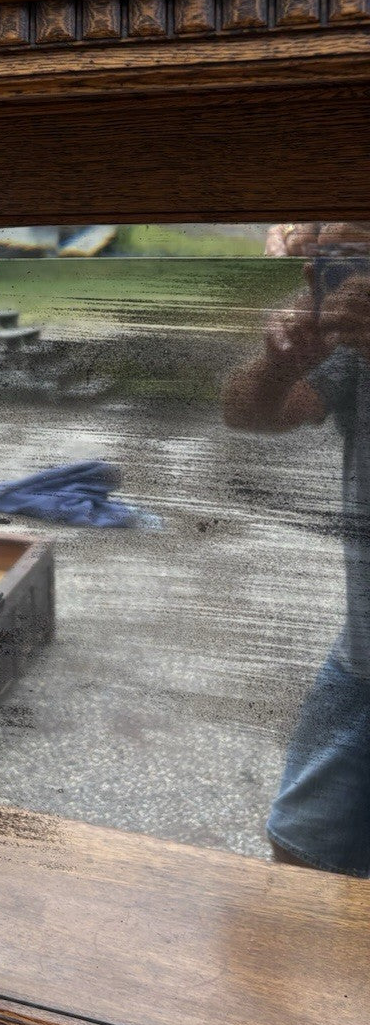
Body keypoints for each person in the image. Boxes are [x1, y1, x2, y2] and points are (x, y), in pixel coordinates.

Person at [222, 223, 370, 877]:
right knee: (297, 864)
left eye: (354, 257)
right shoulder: (354, 352)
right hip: (361, 660)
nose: (332, 279)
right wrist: (281, 362)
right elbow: (248, 413)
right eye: (331, 264)